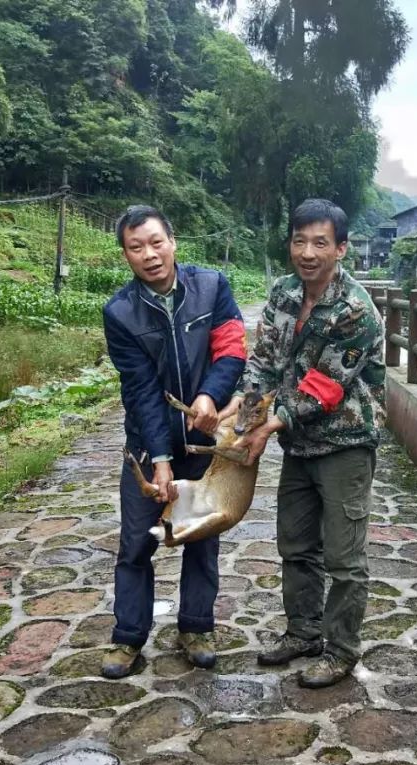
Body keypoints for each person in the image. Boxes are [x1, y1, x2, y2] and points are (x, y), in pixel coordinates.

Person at [225, 198, 385, 688]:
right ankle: (303, 632)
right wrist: (246, 415)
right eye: (300, 241)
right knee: (295, 544)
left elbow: (324, 385)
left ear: (341, 248)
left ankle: (340, 650)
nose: (308, 252)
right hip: (300, 443)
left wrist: (269, 425)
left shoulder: (357, 310)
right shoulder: (283, 293)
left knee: (343, 556)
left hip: (345, 442)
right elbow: (265, 360)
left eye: (320, 242)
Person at [100, 205, 246, 678]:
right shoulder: (120, 313)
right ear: (125, 255)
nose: (149, 254)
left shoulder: (212, 286)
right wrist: (159, 459)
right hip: (148, 444)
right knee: (136, 546)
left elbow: (231, 347)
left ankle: (196, 628)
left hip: (204, 443)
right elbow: (140, 389)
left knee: (202, 537)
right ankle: (128, 638)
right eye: (136, 247)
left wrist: (210, 395)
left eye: (156, 242)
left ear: (173, 241)